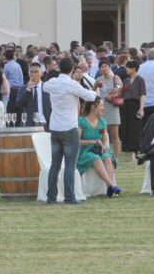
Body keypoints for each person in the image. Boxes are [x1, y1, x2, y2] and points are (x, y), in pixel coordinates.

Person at [42, 56, 97, 205]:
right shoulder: (72, 84)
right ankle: (69, 197)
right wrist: (95, 88)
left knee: (55, 164)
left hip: (55, 127)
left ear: (59, 68)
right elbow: (91, 96)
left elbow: (45, 86)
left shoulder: (52, 83)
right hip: (69, 127)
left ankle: (51, 197)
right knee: (70, 165)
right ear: (72, 69)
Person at [76, 99, 120, 197]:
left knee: (107, 158)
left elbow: (106, 139)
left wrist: (106, 147)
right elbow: (77, 141)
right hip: (85, 151)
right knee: (96, 159)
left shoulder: (102, 122)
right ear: (93, 107)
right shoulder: (81, 121)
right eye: (101, 105)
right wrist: (92, 142)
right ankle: (111, 186)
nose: (103, 108)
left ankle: (109, 188)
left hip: (99, 150)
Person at [93, 60, 122, 156]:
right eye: (102, 67)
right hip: (102, 108)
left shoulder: (115, 78)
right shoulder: (99, 80)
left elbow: (120, 89)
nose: (104, 69)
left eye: (106, 66)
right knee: (101, 133)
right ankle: (103, 153)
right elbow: (92, 91)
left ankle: (116, 156)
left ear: (109, 67)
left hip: (113, 108)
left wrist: (113, 96)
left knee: (114, 134)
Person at [120, 60, 145, 160]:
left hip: (136, 105)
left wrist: (141, 108)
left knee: (136, 129)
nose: (126, 69)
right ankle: (131, 154)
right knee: (127, 129)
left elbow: (142, 94)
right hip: (126, 106)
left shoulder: (140, 80)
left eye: (128, 67)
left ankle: (138, 151)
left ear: (134, 68)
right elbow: (121, 90)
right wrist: (117, 87)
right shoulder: (126, 80)